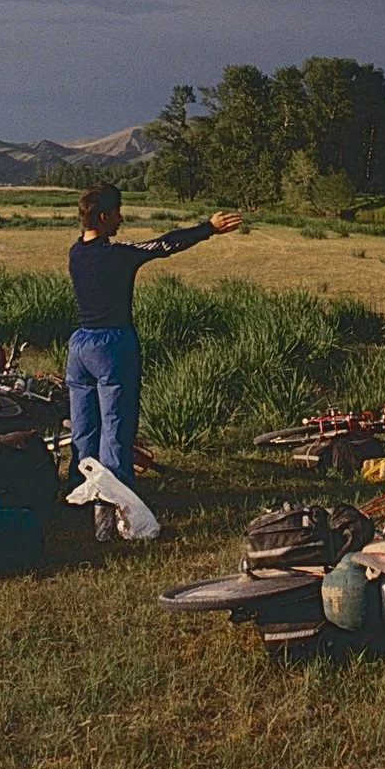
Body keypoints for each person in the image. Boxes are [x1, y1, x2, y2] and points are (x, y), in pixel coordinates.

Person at [67, 183, 241, 537]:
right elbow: (164, 245)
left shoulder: (76, 252)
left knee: (84, 427)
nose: (121, 219)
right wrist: (208, 228)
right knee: (116, 427)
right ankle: (109, 516)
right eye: (117, 212)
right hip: (112, 344)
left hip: (79, 345)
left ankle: (77, 494)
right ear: (103, 216)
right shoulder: (116, 254)